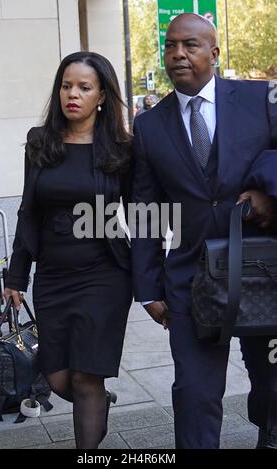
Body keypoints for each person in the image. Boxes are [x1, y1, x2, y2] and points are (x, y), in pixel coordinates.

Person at [132, 13, 277, 449]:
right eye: (171, 45)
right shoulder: (148, 125)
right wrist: (147, 287)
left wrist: (269, 192)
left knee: (272, 385)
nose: (178, 53)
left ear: (214, 53)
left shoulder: (260, 99)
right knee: (194, 394)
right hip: (190, 280)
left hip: (263, 271)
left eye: (190, 45)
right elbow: (144, 210)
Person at [4, 51, 133, 449]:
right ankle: (97, 402)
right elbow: (28, 211)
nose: (71, 94)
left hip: (105, 275)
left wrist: (155, 280)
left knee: (85, 375)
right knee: (58, 376)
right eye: (66, 85)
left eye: (83, 87)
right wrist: (16, 275)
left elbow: (144, 215)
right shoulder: (39, 142)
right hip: (53, 277)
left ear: (101, 96)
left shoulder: (121, 150)